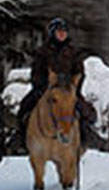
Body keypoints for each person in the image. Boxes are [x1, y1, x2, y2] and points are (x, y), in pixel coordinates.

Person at [17, 17, 97, 152]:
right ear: (53, 33)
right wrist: (41, 86)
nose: (62, 34)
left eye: (64, 32)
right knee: (25, 107)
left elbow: (79, 72)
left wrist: (73, 87)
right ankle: (22, 138)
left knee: (85, 111)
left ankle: (83, 139)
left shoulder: (73, 52)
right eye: (59, 31)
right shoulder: (42, 51)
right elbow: (36, 72)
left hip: (68, 89)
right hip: (46, 89)